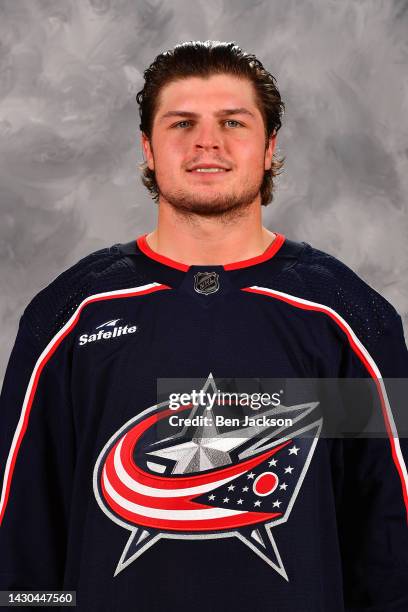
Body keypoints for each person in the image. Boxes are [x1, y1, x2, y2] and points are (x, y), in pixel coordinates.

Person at [0, 39, 407, 612]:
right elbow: (22, 534)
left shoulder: (345, 317)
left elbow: (389, 533)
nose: (206, 141)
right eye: (182, 122)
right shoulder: (71, 313)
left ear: (269, 147)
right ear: (147, 148)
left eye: (232, 122)